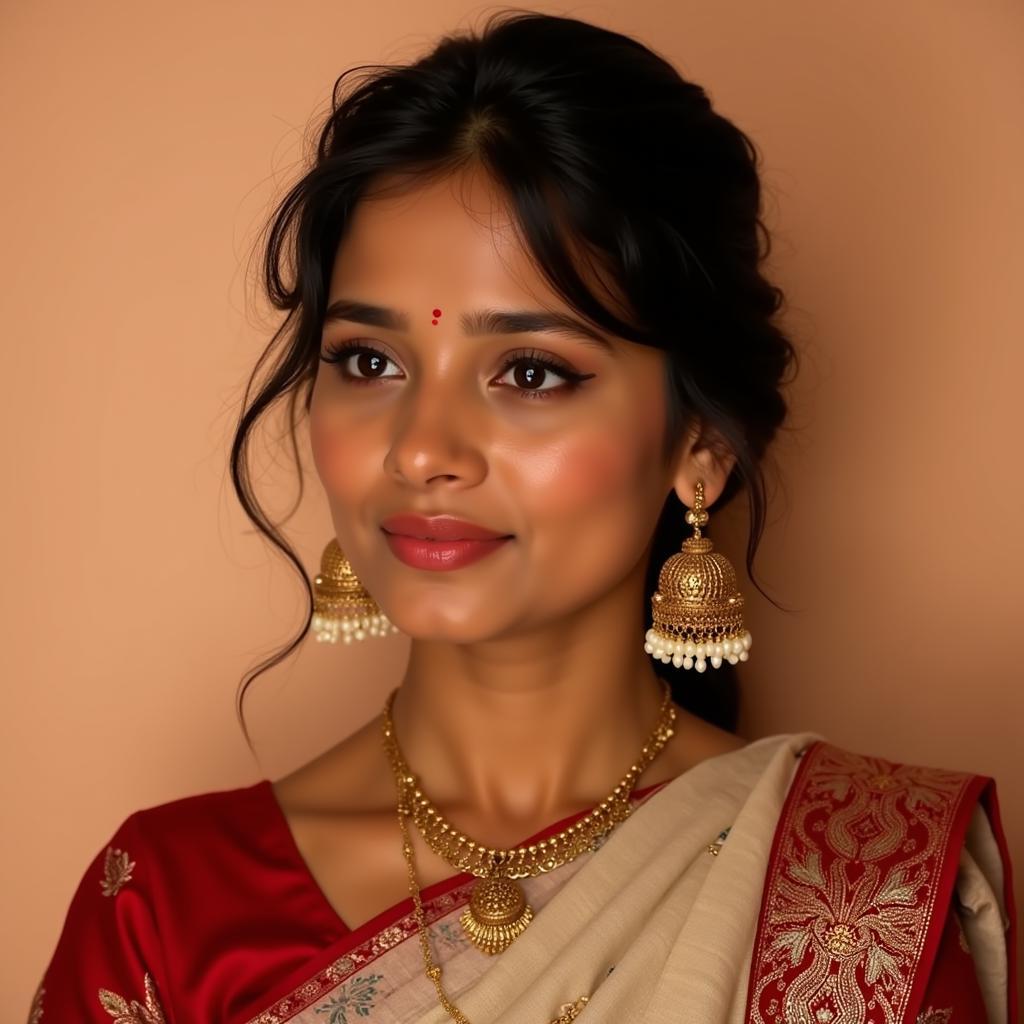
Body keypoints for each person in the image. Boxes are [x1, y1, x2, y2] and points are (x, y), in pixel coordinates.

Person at [28, 10, 1015, 1024]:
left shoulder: (852, 886)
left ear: (700, 446)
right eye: (370, 362)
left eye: (531, 371)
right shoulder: (171, 906)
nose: (421, 448)